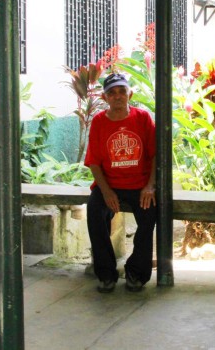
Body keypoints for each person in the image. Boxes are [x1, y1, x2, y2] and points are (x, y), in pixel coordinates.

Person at [84, 73, 157, 293]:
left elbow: (155, 155)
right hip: (110, 184)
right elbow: (94, 162)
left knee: (149, 214)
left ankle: (136, 273)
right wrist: (106, 192)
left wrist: (150, 186)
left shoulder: (143, 118)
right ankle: (106, 274)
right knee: (95, 211)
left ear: (129, 94)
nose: (117, 97)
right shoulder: (98, 121)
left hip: (140, 184)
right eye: (112, 93)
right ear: (105, 98)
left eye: (121, 91)